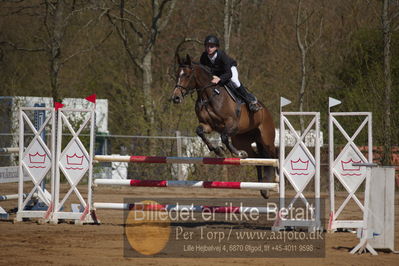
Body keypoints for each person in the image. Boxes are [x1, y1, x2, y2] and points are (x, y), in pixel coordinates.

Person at [200, 35, 261, 112]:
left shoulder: (222, 55)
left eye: (211, 46)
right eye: (207, 46)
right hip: (217, 73)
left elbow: (229, 74)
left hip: (229, 69)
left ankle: (250, 101)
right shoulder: (204, 56)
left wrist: (219, 78)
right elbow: (203, 70)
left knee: (235, 81)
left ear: (216, 47)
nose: (209, 48)